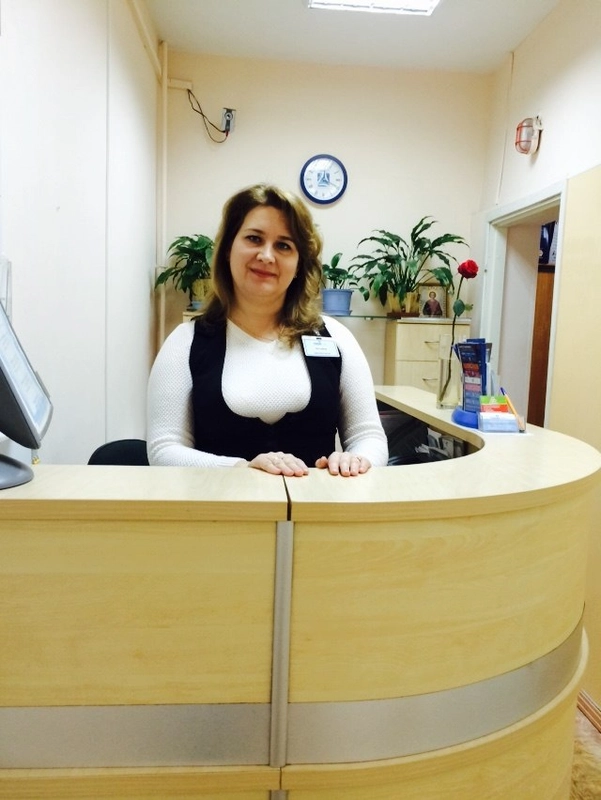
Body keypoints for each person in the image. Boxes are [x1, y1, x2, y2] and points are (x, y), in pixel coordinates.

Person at [147, 184, 388, 477]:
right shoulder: (185, 342)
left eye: (284, 245)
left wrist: (357, 460)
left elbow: (369, 437)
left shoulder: (336, 338)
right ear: (227, 250)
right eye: (254, 238)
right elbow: (164, 449)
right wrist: (242, 468)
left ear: (299, 264)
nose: (266, 255)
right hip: (219, 503)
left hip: (318, 504)